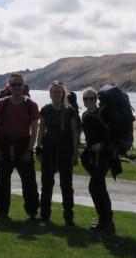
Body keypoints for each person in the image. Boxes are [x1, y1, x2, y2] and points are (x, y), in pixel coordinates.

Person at [0, 73, 41, 221]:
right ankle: (2, 212)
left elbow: (35, 130)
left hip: (24, 145)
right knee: (2, 181)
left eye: (19, 84)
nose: (17, 87)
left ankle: (32, 212)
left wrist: (29, 150)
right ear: (9, 86)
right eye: (13, 85)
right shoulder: (2, 103)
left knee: (29, 182)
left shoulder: (31, 105)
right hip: (4, 144)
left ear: (24, 86)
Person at [35, 81, 80, 225]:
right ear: (50, 94)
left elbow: (74, 134)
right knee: (47, 184)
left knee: (66, 185)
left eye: (59, 92)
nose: (56, 94)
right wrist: (38, 147)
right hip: (48, 150)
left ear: (63, 94)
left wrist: (75, 153)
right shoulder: (45, 110)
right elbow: (41, 130)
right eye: (54, 91)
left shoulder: (70, 111)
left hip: (65, 151)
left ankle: (68, 217)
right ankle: (45, 215)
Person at [80, 87, 116, 232]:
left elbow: (114, 134)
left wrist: (101, 144)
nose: (89, 101)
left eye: (92, 98)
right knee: (100, 187)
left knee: (94, 187)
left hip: (105, 156)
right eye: (86, 99)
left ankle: (105, 220)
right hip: (92, 157)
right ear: (83, 101)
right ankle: (106, 221)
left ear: (97, 99)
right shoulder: (85, 115)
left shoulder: (104, 114)